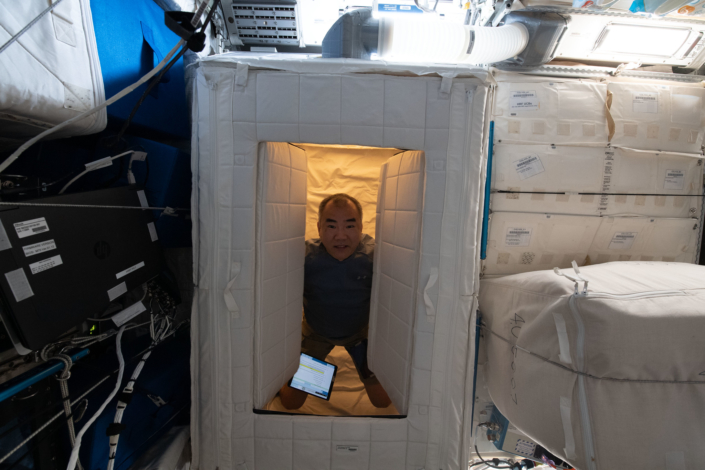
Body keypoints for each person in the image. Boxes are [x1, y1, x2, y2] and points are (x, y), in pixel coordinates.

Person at [279, 193, 392, 410]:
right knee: (290, 403)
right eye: (331, 226)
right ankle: (299, 378)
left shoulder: (376, 256)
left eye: (349, 226)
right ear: (319, 228)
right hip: (316, 334)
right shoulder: (303, 257)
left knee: (382, 401)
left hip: (360, 334)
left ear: (361, 227)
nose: (341, 236)